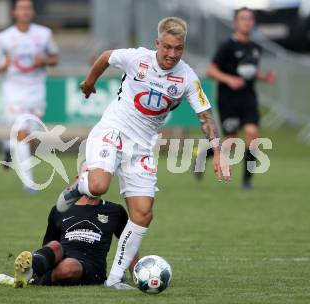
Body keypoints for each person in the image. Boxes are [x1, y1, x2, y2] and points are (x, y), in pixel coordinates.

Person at [56, 17, 230, 290]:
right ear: (157, 43)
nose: (173, 54)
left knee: (143, 213)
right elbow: (105, 57)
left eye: (179, 49)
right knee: (99, 186)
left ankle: (115, 279)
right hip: (112, 131)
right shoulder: (137, 59)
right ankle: (80, 184)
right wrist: (89, 83)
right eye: (168, 47)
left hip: (142, 146)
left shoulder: (187, 77)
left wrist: (218, 152)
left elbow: (205, 116)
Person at [0, 163, 138, 287]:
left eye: (99, 176)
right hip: (62, 258)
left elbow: (129, 243)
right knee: (54, 245)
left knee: (69, 267)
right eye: (89, 175)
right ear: (78, 180)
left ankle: (29, 280)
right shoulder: (60, 209)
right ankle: (28, 274)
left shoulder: (114, 211)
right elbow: (48, 245)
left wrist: (137, 276)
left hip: (91, 267)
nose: (94, 180)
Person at [0, 0, 58, 192]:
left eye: (28, 8)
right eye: (21, 8)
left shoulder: (44, 34)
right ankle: (29, 183)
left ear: (32, 12)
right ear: (14, 12)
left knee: (30, 138)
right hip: (14, 91)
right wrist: (2, 66)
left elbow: (54, 58)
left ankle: (8, 146)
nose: (25, 11)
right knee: (22, 134)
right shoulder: (3, 38)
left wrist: (44, 59)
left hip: (36, 90)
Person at [206, 7, 276, 190]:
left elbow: (249, 72)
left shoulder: (255, 48)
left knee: (252, 135)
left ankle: (246, 181)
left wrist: (264, 77)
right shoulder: (227, 46)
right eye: (243, 18)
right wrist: (229, 79)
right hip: (228, 99)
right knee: (231, 143)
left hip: (248, 98)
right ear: (236, 22)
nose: (247, 21)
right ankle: (206, 155)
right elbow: (211, 70)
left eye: (250, 18)